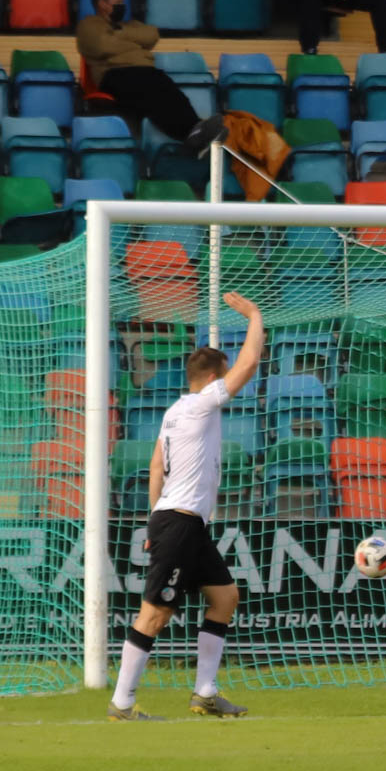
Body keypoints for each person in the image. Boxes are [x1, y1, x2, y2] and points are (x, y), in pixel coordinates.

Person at [107, 293, 264, 721]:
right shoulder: (201, 405)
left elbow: (157, 466)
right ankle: (121, 703)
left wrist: (153, 524)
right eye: (225, 374)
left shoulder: (175, 411)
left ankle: (206, 693)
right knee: (155, 613)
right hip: (179, 523)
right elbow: (249, 365)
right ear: (215, 376)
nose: (230, 379)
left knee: (225, 597)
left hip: (177, 522)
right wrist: (253, 316)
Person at [77, 0, 224, 153]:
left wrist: (120, 34)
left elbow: (152, 35)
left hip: (143, 73)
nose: (122, 6)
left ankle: (196, 127)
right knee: (150, 92)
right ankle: (188, 134)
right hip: (113, 75)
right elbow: (103, 45)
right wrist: (134, 43)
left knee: (167, 87)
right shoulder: (89, 25)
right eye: (117, 3)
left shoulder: (129, 25)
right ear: (102, 4)